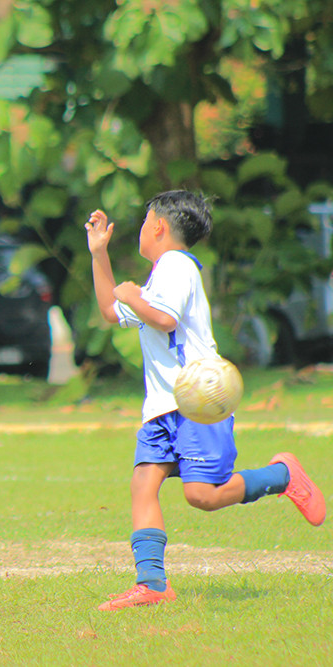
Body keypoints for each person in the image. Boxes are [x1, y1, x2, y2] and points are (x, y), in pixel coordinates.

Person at [85, 190, 326, 611]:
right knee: (143, 484)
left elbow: (164, 319)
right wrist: (98, 255)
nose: (141, 230)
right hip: (161, 408)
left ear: (158, 225)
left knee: (203, 496)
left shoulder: (177, 266)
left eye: (144, 222)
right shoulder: (159, 275)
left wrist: (131, 296)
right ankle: (152, 584)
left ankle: (282, 475)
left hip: (197, 401)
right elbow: (110, 311)